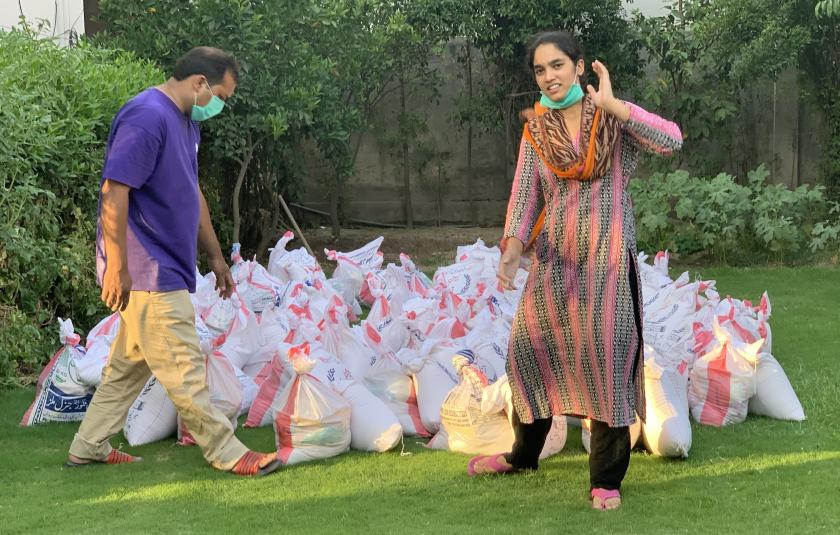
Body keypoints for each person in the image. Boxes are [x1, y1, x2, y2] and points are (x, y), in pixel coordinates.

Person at [466, 31, 682, 510]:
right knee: (528, 354)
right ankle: (524, 455)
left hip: (607, 262)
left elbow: (671, 140)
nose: (550, 76)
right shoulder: (537, 131)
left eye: (558, 65)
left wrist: (618, 106)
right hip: (554, 263)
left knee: (607, 365)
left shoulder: (610, 119)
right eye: (541, 70)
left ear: (580, 67)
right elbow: (526, 197)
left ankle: (605, 478)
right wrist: (511, 248)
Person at [65, 47, 280, 477]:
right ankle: (228, 452)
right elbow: (114, 192)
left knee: (128, 368)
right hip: (149, 272)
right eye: (220, 94)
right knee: (185, 369)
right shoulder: (147, 116)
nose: (220, 105)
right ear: (199, 83)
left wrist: (216, 256)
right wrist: (117, 267)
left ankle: (87, 446)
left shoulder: (182, 123)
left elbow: (191, 191)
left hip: (162, 268)